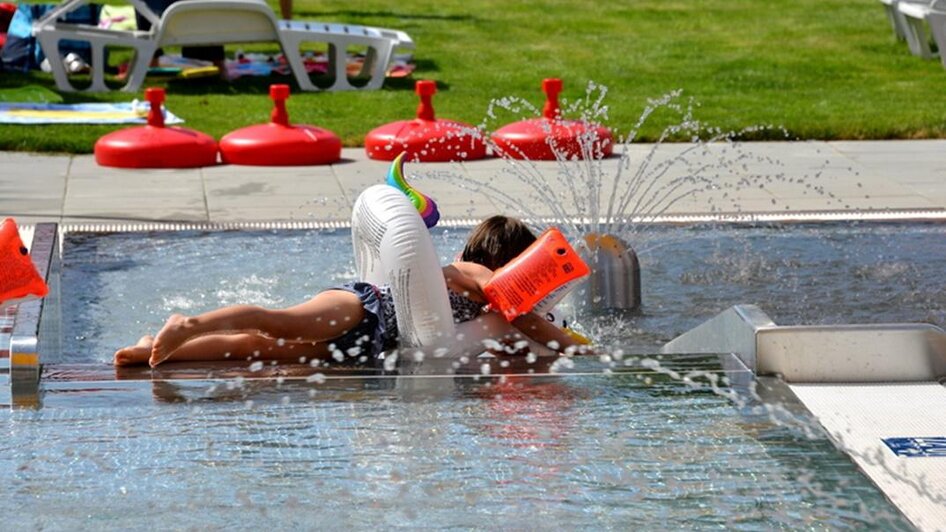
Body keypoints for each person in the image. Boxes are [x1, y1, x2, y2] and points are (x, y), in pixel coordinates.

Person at [113, 216, 587, 368]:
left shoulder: (492, 300)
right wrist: (580, 349)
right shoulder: (475, 272)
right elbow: (522, 317)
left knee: (260, 349)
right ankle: (190, 323)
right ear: (509, 260)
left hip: (373, 343)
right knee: (279, 322)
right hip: (365, 306)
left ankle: (156, 352)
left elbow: (515, 330)